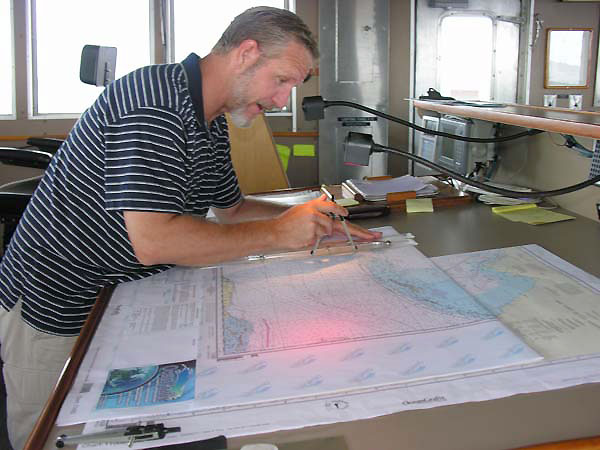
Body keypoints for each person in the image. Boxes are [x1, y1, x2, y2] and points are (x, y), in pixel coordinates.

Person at [0, 6, 380, 449]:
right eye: (282, 81)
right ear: (246, 52)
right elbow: (156, 240)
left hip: (126, 300)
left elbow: (233, 209)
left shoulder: (212, 116)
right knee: (52, 436)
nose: (282, 101)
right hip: (61, 305)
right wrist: (280, 234)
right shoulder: (154, 103)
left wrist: (307, 216)